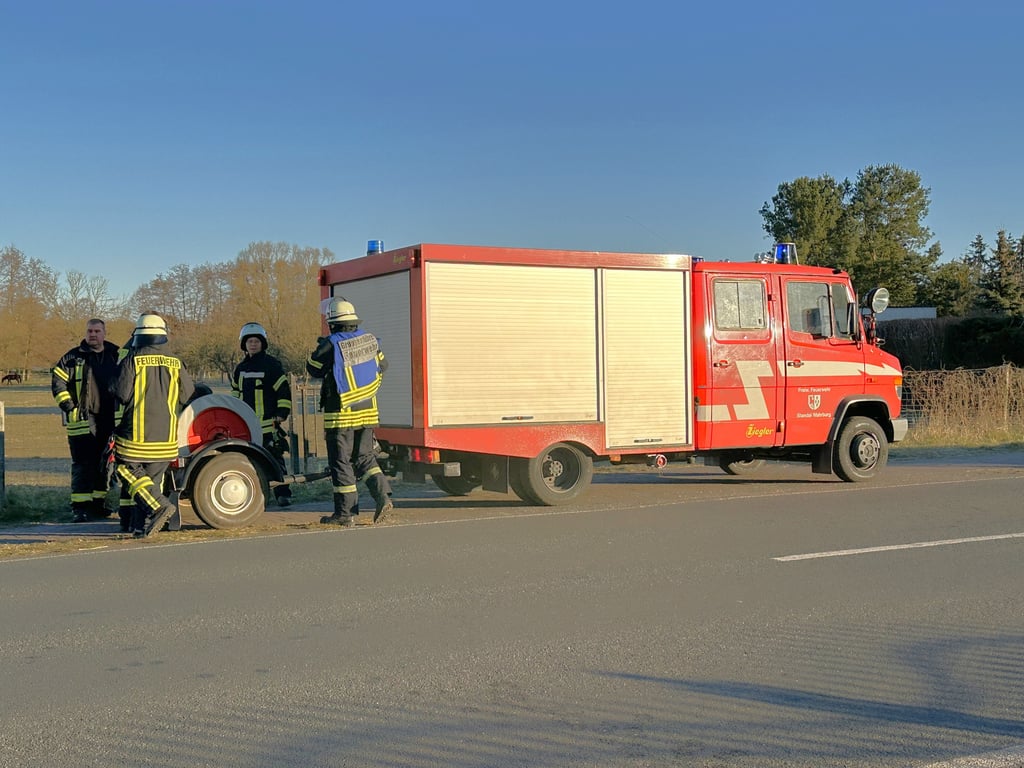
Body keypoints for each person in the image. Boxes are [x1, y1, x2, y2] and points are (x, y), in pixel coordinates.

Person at [305, 297, 393, 527]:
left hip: (341, 412)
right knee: (365, 458)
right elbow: (383, 365)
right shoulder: (369, 340)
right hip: (368, 411)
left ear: (332, 322)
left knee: (341, 462)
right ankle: (383, 497)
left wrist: (321, 346)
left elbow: (313, 369)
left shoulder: (331, 344)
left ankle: (345, 514)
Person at [112, 312, 195, 538]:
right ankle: (141, 528)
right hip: (167, 438)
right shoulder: (176, 362)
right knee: (151, 482)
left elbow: (120, 393)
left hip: (136, 438)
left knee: (125, 470)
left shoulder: (132, 359)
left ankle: (160, 506)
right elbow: (187, 393)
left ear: (139, 334)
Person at [50, 318, 121, 522]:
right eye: (90, 331)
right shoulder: (72, 357)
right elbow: (57, 383)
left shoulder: (115, 354)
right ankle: (80, 508)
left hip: (108, 421)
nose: (93, 334)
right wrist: (69, 406)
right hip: (81, 420)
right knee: (83, 464)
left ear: (104, 333)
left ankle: (98, 505)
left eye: (97, 331)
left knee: (103, 465)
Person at [231, 322, 293, 507]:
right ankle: (256, 496)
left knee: (275, 459)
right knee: (249, 462)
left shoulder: (271, 365)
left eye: (256, 341)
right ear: (244, 344)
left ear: (263, 343)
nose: (253, 344)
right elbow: (236, 394)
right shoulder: (240, 368)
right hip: (246, 425)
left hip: (268, 423)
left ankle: (283, 494)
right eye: (249, 341)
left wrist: (281, 413)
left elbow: (283, 391)